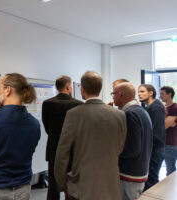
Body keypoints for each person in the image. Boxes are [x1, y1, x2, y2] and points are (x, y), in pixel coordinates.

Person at [54, 71, 127, 200]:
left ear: (82, 89)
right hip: (110, 184)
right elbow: (120, 148)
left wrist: (61, 183)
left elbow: (62, 152)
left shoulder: (73, 114)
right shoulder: (119, 115)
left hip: (81, 185)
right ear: (100, 88)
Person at [42, 75, 83, 200]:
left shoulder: (47, 103)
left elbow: (47, 128)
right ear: (67, 87)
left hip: (54, 149)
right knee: (72, 185)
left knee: (53, 186)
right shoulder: (79, 104)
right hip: (73, 151)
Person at [113, 82, 153, 200]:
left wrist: (112, 153)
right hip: (139, 170)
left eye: (113, 94)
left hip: (129, 174)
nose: (113, 97)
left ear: (120, 95)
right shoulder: (141, 111)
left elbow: (132, 149)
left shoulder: (129, 114)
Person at [138, 84, 166, 190]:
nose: (139, 94)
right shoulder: (149, 107)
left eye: (142, 91)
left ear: (151, 93)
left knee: (152, 180)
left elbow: (156, 133)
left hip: (156, 149)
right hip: (153, 148)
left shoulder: (156, 107)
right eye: (138, 92)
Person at [160, 86, 177, 176]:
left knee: (170, 171)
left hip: (170, 144)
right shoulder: (163, 108)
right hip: (161, 143)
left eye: (162, 94)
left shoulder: (175, 108)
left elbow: (164, 126)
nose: (160, 96)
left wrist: (165, 121)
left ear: (169, 94)